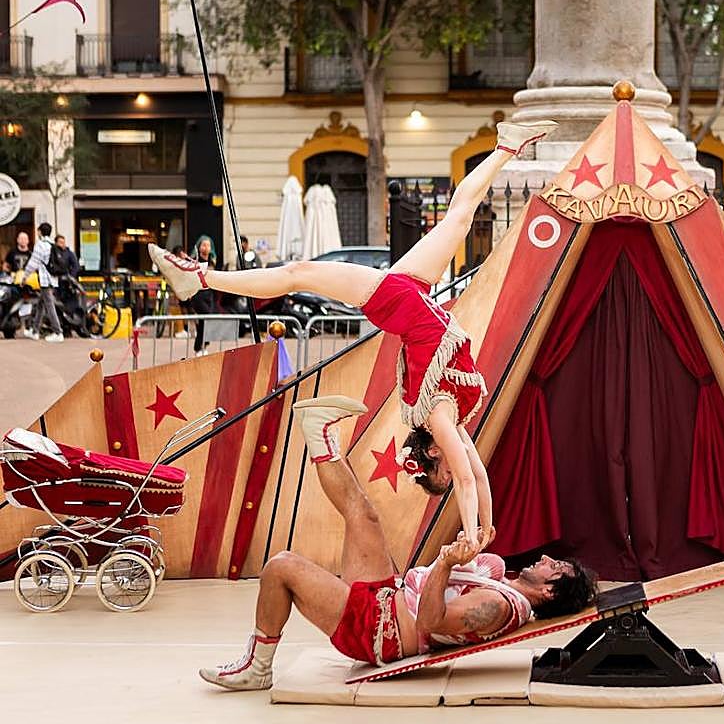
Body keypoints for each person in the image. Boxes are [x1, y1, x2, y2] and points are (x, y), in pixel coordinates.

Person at [151, 120, 556, 550]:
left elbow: (467, 480)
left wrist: (473, 539)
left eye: (443, 471)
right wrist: (485, 530)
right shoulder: (447, 418)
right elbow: (475, 474)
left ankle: (202, 279)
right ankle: (505, 148)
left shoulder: (438, 417)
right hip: (411, 295)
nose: (455, 462)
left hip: (397, 302)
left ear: (433, 455)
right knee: (459, 216)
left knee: (296, 273)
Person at [199, 395, 596, 691]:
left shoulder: (497, 607)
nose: (546, 557)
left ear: (547, 590)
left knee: (280, 566)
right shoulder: (497, 577)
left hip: (377, 631)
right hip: (389, 599)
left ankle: (258, 668)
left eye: (555, 567)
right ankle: (318, 433)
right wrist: (455, 432)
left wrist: (443, 564)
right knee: (364, 514)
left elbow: (429, 623)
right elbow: (474, 478)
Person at [23, 223, 64, 343]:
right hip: (53, 279)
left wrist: (25, 276)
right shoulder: (52, 245)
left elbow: (33, 263)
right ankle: (34, 331)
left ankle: (58, 332)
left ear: (40, 232)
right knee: (41, 305)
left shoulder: (40, 245)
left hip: (45, 280)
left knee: (49, 305)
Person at [187, 235, 223, 356]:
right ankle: (198, 347)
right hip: (198, 295)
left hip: (209, 295)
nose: (206, 248)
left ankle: (203, 345)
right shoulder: (195, 261)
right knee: (205, 319)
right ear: (199, 246)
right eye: (203, 245)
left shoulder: (212, 261)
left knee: (207, 321)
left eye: (208, 245)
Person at [53, 235, 81, 332]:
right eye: (60, 242)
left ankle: (70, 327)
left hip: (68, 284)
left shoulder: (69, 254)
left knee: (70, 306)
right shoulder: (54, 253)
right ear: (56, 243)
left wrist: (71, 277)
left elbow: (76, 266)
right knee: (58, 305)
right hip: (57, 284)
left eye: (63, 242)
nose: (62, 244)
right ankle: (61, 326)